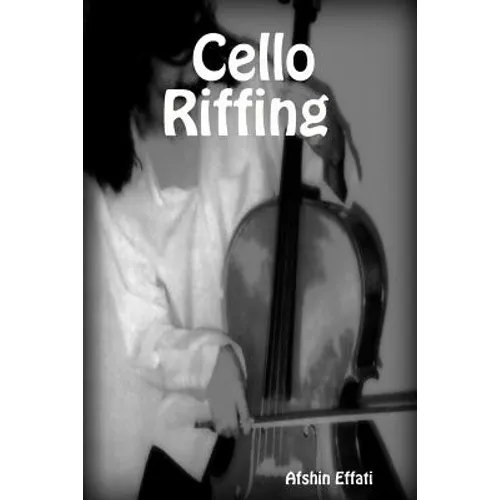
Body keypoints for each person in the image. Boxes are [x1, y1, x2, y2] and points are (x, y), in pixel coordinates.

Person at [81, 1, 360, 499]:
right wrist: (210, 361)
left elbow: (336, 201)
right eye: (176, 66)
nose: (196, 78)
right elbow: (143, 333)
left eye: (198, 49)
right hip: (197, 416)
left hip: (297, 393)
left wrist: (331, 145)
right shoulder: (113, 176)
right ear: (128, 62)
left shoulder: (253, 84)